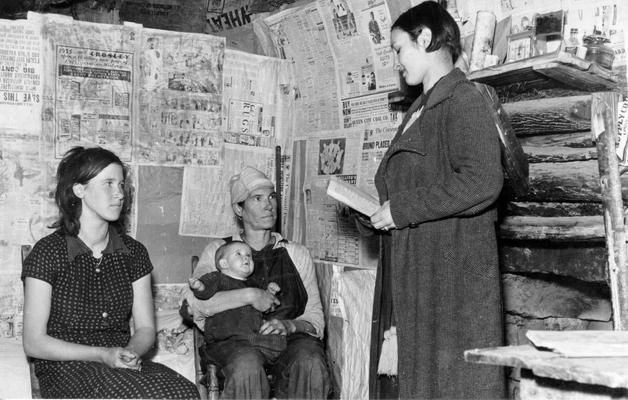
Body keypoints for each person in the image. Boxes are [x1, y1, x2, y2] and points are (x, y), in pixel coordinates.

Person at [367, 2, 506, 399]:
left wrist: (401, 210)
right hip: (419, 270)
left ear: (424, 37)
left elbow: (482, 181)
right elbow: (406, 190)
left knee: (452, 387)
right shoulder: (419, 110)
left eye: (398, 49)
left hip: (451, 276)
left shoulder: (463, 99)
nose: (396, 61)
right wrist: (378, 213)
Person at [22, 146, 200, 399]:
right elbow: (33, 342)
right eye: (108, 183)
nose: (119, 194)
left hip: (120, 365)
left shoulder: (134, 253)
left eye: (121, 185)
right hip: (66, 369)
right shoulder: (48, 253)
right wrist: (102, 355)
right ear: (79, 190)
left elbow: (146, 329)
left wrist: (129, 353)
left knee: (185, 391)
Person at [181, 166, 331, 399]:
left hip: (285, 342)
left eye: (271, 197)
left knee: (310, 358)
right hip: (236, 344)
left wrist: (290, 326)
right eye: (257, 198)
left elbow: (315, 320)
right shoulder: (218, 252)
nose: (268, 205)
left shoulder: (296, 253)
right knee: (246, 365)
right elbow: (194, 306)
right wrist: (250, 295)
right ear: (238, 209)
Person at [189, 240, 287, 363]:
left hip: (250, 335)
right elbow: (204, 292)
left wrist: (269, 292)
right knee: (246, 350)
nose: (246, 258)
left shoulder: (254, 283)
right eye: (239, 254)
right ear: (224, 263)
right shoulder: (217, 278)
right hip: (225, 335)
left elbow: (266, 307)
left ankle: (268, 357)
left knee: (280, 343)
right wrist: (200, 286)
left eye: (249, 255)